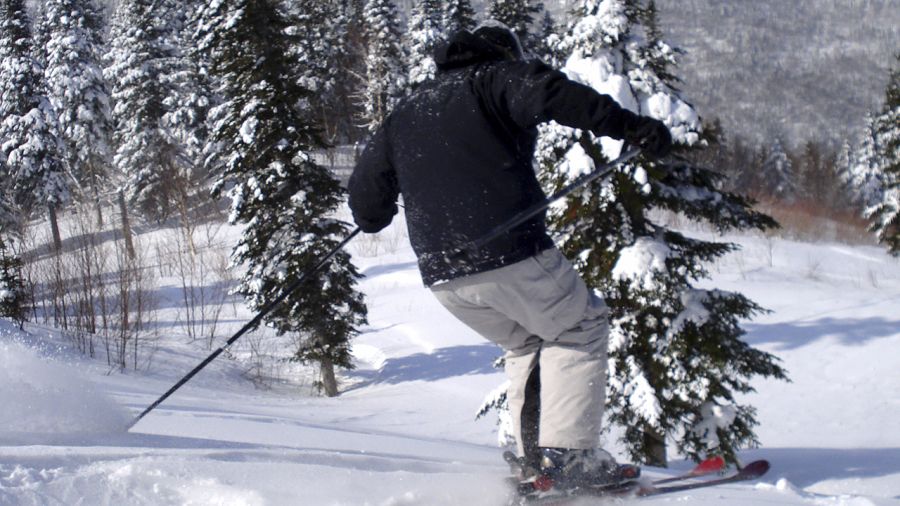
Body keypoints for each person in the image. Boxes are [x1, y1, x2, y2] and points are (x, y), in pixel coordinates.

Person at [348, 23, 671, 488]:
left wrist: (373, 215)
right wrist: (629, 126)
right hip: (507, 249)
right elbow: (552, 93)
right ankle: (569, 461)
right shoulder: (494, 79)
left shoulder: (405, 112)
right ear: (503, 54)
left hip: (444, 273)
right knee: (580, 326)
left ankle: (534, 460)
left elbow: (365, 197)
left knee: (528, 342)